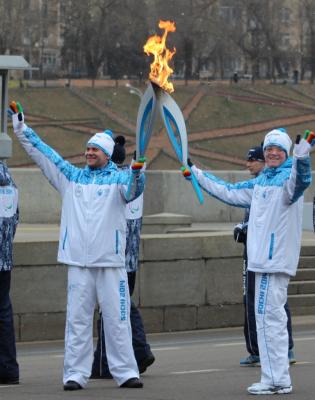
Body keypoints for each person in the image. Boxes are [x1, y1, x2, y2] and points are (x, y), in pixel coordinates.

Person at [8, 101, 145, 390]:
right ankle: (75, 374)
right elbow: (43, 154)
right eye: (88, 148)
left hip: (110, 262)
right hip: (79, 263)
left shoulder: (120, 180)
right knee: (77, 321)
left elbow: (133, 191)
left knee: (118, 320)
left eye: (95, 149)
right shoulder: (71, 177)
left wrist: (136, 172)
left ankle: (126, 372)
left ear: (107, 154)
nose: (89, 152)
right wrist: (21, 127)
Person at [185, 128, 313, 395]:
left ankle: (274, 379)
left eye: (278, 148)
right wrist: (196, 174)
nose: (272, 153)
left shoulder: (288, 180)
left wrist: (302, 158)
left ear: (286, 151)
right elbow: (228, 192)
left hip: (273, 262)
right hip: (262, 262)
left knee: (268, 322)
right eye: (268, 149)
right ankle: (278, 377)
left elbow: (302, 181)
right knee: (270, 321)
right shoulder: (261, 182)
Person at [91, 136, 155, 379]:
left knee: (114, 311)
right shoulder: (134, 179)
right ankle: (138, 352)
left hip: (114, 258)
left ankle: (110, 362)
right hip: (129, 260)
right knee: (124, 307)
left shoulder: (117, 183)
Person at [234, 146, 295, 367]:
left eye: (252, 160)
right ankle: (265, 350)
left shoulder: (277, 185)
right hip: (256, 252)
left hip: (268, 256)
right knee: (258, 302)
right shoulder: (259, 185)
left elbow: (269, 220)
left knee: (268, 304)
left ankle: (274, 351)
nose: (248, 164)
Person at [0, 162, 19, 385]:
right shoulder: (11, 185)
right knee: (3, 311)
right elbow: (15, 219)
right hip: (4, 260)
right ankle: (8, 368)